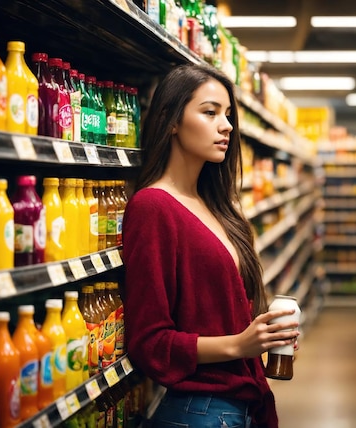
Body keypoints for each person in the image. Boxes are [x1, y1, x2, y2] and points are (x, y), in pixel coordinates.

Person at [123, 64, 299, 428]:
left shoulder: (215, 205)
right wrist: (239, 345)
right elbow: (148, 341)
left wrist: (263, 337)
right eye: (210, 112)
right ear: (171, 120)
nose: (227, 126)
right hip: (201, 411)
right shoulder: (153, 206)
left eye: (229, 115)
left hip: (242, 404)